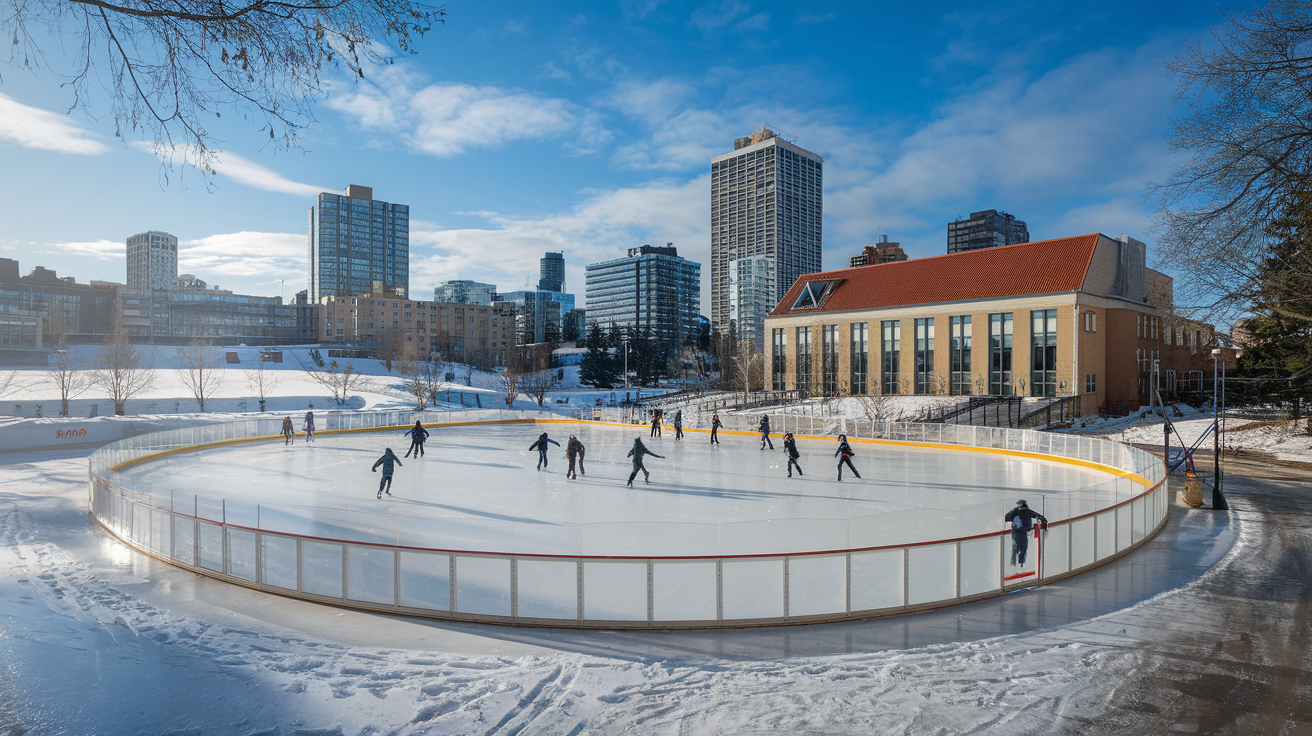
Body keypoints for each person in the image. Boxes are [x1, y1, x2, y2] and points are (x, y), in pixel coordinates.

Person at [1004, 500, 1049, 567]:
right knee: (1022, 548)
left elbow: (1007, 517)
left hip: (1016, 532)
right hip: (1021, 532)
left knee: (1016, 548)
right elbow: (1038, 516)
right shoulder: (1024, 511)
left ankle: (1015, 564)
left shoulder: (1017, 511)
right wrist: (1044, 523)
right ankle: (1020, 563)